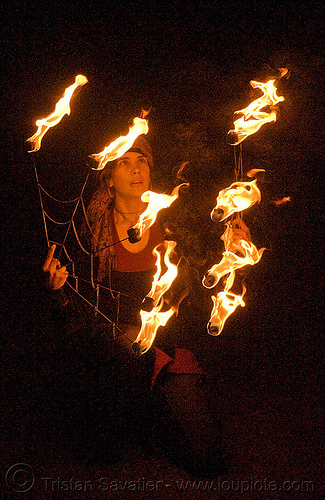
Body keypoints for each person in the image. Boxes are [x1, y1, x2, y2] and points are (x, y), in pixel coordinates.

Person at [41, 135, 252, 475]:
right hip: (112, 351)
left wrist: (235, 253)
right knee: (101, 453)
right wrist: (56, 290)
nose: (136, 169)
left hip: (166, 350)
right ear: (109, 177)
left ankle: (150, 414)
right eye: (124, 162)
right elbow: (71, 319)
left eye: (141, 162)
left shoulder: (172, 226)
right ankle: (122, 418)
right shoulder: (91, 232)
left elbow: (206, 290)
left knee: (209, 462)